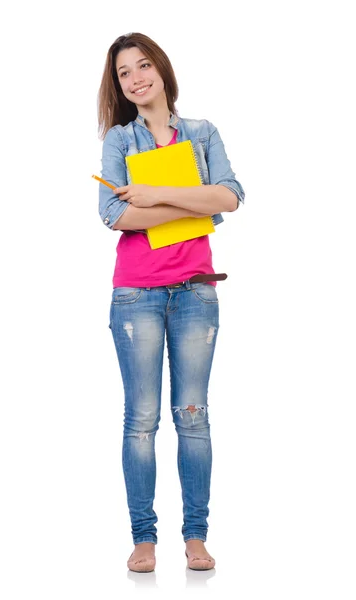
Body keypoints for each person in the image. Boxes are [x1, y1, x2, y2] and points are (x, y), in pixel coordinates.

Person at [97, 32, 245, 573]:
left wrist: (157, 194)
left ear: (161, 67)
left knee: (194, 416)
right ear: (118, 85)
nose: (136, 78)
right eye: (123, 73)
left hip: (196, 291)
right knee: (141, 419)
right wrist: (195, 205)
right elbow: (114, 216)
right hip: (135, 292)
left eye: (143, 66)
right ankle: (143, 538)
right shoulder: (120, 140)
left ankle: (196, 537)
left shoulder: (202, 133)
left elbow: (230, 196)